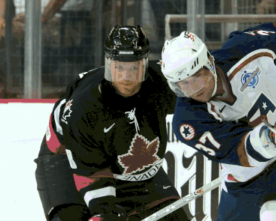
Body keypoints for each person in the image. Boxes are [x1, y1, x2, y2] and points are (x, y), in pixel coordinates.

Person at [160, 23, 276, 220]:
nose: (194, 89)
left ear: (209, 62)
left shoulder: (244, 47)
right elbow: (240, 151)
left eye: (198, 77)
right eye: (184, 84)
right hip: (244, 179)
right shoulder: (188, 121)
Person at [34, 25, 189, 221]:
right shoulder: (85, 107)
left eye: (134, 68)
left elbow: (201, 94)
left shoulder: (162, 81)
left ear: (145, 64)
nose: (126, 77)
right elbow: (90, 172)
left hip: (130, 165)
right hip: (68, 160)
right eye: (119, 67)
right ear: (109, 63)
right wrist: (105, 211)